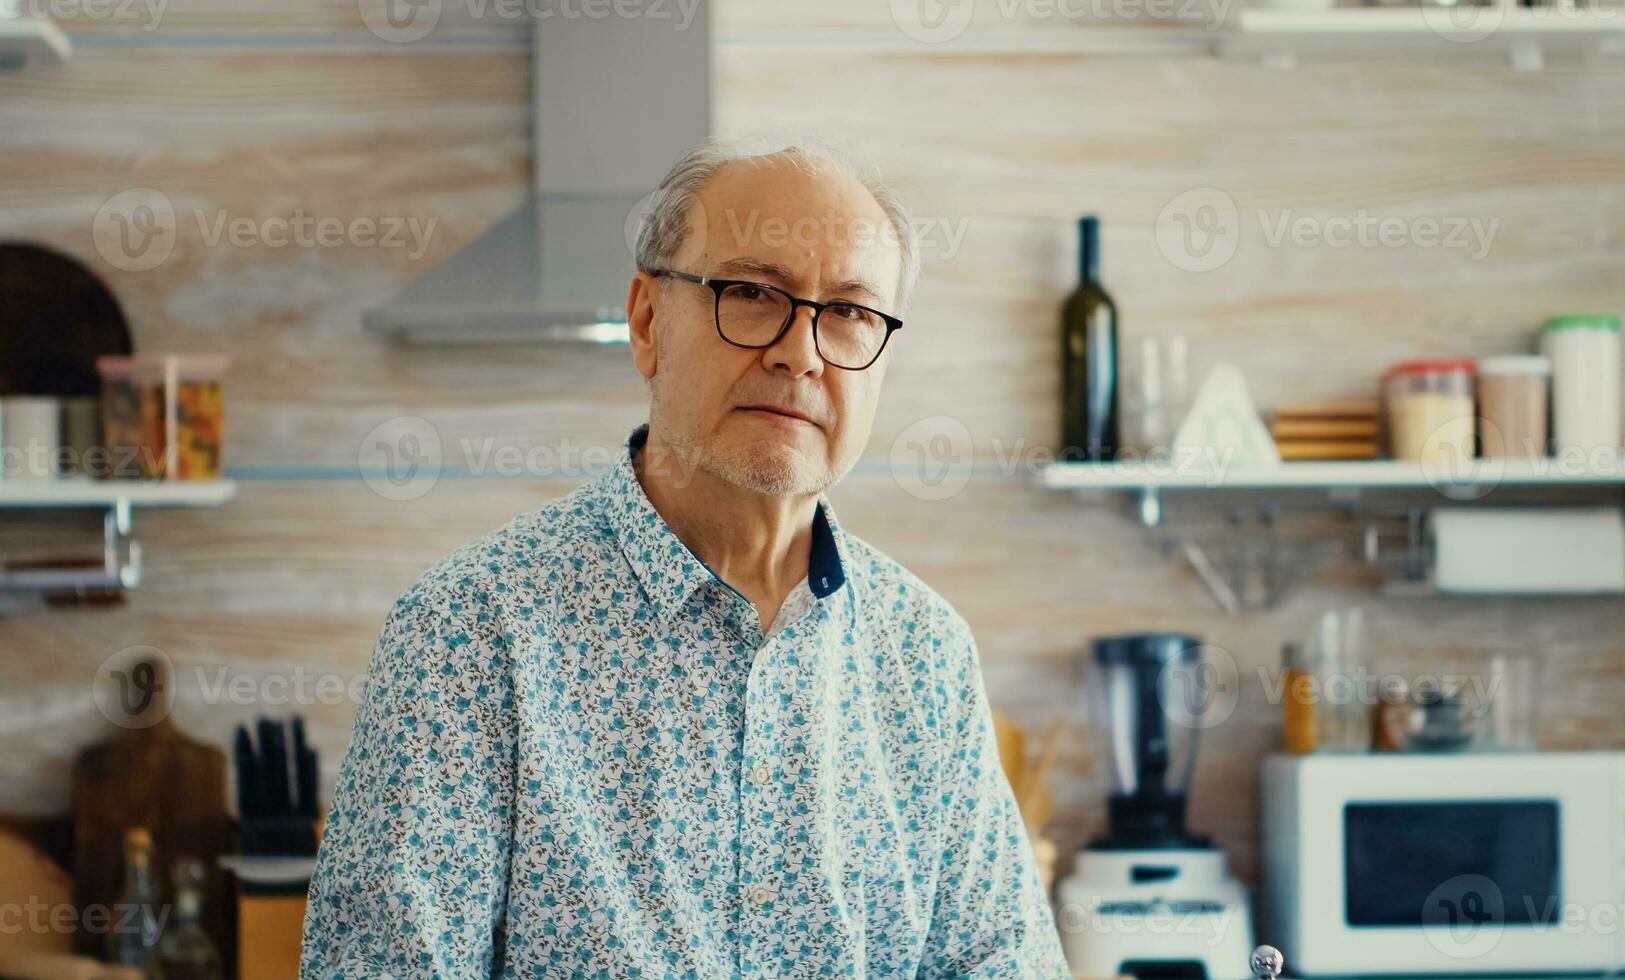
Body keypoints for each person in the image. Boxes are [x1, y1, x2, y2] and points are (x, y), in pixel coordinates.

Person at [299, 135, 1070, 978]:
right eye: (750, 291)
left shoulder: (926, 655)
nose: (801, 352)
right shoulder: (468, 636)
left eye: (848, 311)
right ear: (646, 321)